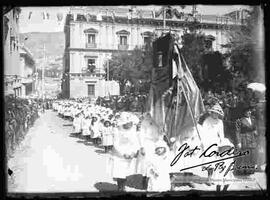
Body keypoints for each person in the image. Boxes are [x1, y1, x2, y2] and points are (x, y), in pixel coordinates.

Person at [109, 112, 140, 191]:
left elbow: (136, 142)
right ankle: (120, 187)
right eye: (128, 123)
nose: (130, 124)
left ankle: (123, 186)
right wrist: (123, 153)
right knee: (119, 172)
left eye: (130, 123)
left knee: (126, 172)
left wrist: (134, 152)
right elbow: (115, 144)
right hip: (119, 154)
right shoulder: (117, 130)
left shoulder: (133, 130)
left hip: (130, 153)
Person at [235, 107, 258, 175]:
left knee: (252, 155)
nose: (249, 112)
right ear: (244, 112)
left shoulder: (253, 119)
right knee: (245, 155)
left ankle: (250, 170)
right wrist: (239, 142)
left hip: (252, 139)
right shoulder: (239, 120)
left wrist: (256, 133)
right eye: (248, 111)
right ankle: (242, 171)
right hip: (244, 139)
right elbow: (237, 132)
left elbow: (255, 128)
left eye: (250, 111)